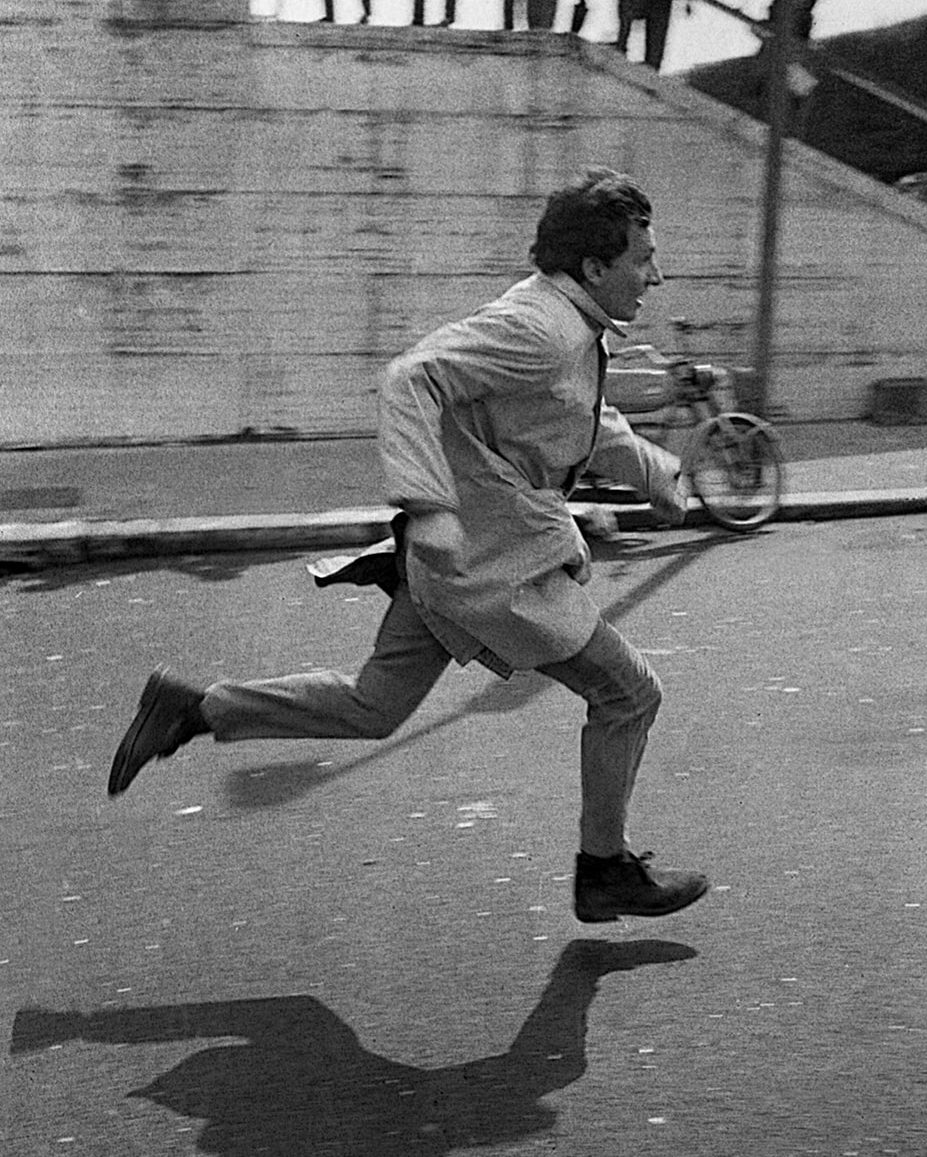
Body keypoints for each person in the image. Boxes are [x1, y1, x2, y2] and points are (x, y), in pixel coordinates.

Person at [108, 168, 709, 922]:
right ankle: (603, 869)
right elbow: (410, 379)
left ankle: (193, 708)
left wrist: (653, 469)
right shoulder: (540, 329)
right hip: (488, 566)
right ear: (593, 266)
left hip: (456, 567)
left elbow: (571, 415)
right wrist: (428, 507)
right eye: (643, 259)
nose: (656, 275)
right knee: (628, 694)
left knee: (373, 706)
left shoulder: (565, 326)